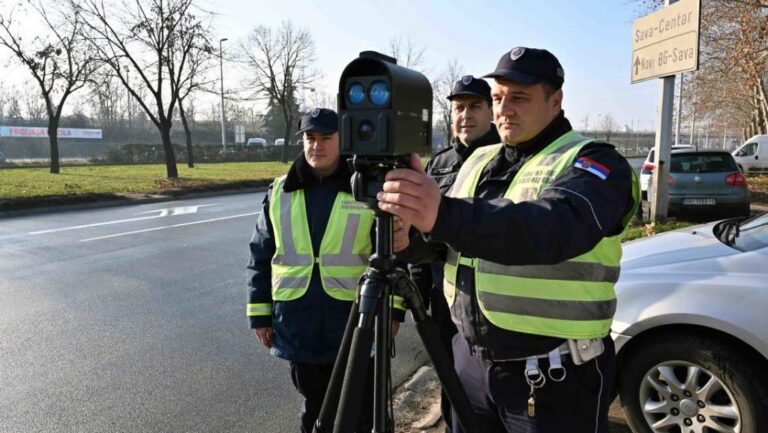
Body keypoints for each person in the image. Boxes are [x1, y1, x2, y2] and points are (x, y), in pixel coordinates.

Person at [377, 47, 639, 433]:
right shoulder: (480, 159)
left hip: (554, 372)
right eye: (498, 98)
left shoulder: (595, 162)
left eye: (519, 97)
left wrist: (441, 214)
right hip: (469, 362)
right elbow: (453, 248)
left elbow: (553, 229)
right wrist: (411, 239)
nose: (504, 109)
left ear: (556, 101)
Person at [246, 107, 404, 433]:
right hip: (298, 324)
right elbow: (261, 256)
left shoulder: (366, 189)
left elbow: (394, 254)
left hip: (353, 323)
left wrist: (394, 313)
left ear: (341, 141)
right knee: (315, 410)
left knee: (360, 413)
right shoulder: (279, 192)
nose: (316, 146)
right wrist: (260, 315)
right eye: (309, 138)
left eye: (325, 138)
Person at [409, 75, 499, 433]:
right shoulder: (439, 163)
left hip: (490, 302)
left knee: (488, 391)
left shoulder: (507, 158)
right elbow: (419, 238)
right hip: (441, 297)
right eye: (459, 108)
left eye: (475, 106)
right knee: (450, 382)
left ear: (492, 111)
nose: (465, 115)